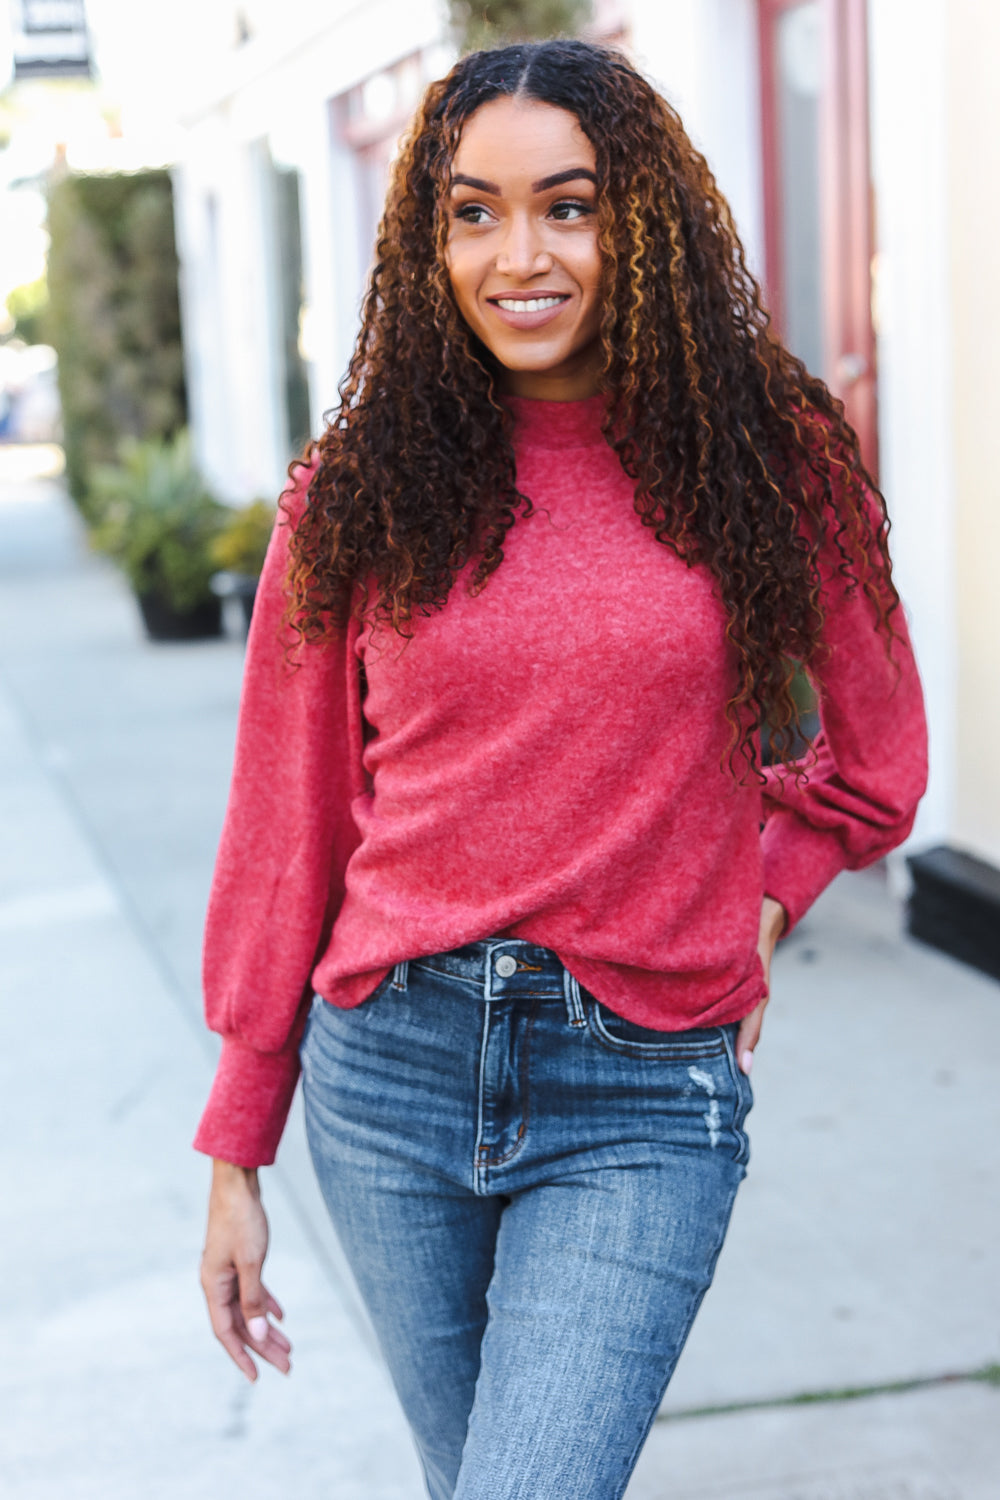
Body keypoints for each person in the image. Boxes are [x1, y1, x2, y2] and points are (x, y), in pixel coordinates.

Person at [196, 38, 927, 1500]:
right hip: (385, 1078)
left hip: (641, 1088)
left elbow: (877, 761)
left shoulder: (767, 452)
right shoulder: (355, 494)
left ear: (640, 218)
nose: (517, 255)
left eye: (568, 206)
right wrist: (236, 1147)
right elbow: (293, 827)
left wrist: (760, 903)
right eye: (473, 212)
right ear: (430, 238)